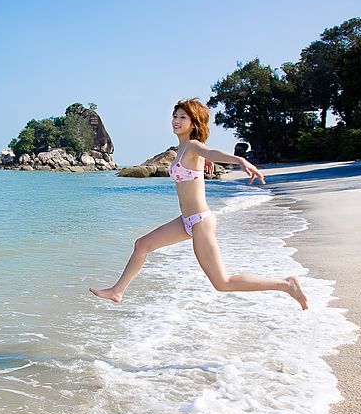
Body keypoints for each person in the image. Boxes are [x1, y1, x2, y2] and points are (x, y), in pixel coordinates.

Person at [89, 97, 308, 310]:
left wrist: (240, 160)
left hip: (201, 221)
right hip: (186, 221)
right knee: (142, 245)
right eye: (175, 116)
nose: (176, 121)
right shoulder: (181, 150)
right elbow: (203, 159)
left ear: (194, 123)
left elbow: (210, 151)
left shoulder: (193, 146)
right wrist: (207, 161)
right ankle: (117, 291)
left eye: (183, 117)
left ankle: (286, 285)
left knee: (223, 283)